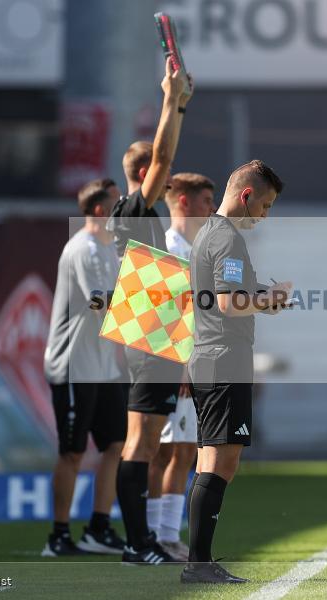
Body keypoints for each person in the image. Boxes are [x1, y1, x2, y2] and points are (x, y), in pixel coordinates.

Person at [182, 160, 289, 584]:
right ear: (246, 196)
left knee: (211, 460)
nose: (264, 215)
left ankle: (198, 561)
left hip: (210, 356)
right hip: (224, 359)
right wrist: (271, 299)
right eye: (264, 205)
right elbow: (228, 304)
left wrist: (262, 294)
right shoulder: (227, 238)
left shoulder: (209, 231)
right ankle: (199, 563)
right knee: (221, 463)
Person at [108, 57, 193, 565]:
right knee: (141, 443)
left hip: (152, 330)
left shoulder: (142, 213)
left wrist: (179, 103)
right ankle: (139, 543)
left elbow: (162, 153)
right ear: (145, 176)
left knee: (147, 442)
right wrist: (168, 98)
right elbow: (162, 153)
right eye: (158, 175)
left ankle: (141, 541)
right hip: (148, 332)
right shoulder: (136, 209)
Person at [41, 178, 128, 556]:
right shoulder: (84, 248)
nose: (121, 211)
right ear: (98, 210)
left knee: (115, 444)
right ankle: (59, 535)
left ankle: (98, 527)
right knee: (72, 452)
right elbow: (100, 305)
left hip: (103, 365)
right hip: (75, 364)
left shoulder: (109, 250)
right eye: (116, 204)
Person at [146, 173, 217, 561]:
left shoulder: (197, 248)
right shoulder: (169, 248)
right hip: (173, 366)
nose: (211, 208)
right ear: (185, 203)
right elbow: (162, 316)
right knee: (161, 451)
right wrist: (181, 365)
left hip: (193, 363)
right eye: (206, 200)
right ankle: (155, 535)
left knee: (183, 450)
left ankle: (164, 535)